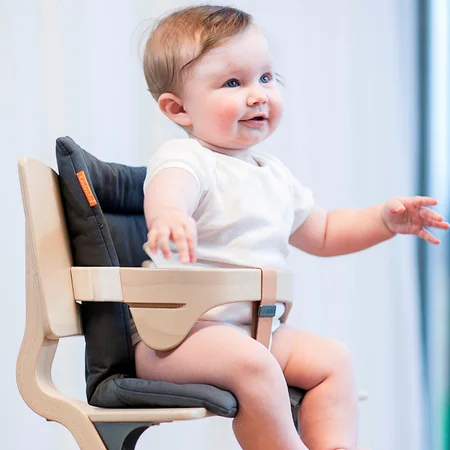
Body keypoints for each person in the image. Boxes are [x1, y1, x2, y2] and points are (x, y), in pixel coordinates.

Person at [133, 5, 449, 450]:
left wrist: (383, 221)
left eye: (266, 78)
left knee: (332, 360)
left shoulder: (273, 173)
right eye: (233, 83)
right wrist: (169, 217)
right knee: (254, 365)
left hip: (256, 334)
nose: (258, 95)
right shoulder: (187, 160)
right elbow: (170, 191)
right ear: (179, 108)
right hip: (177, 337)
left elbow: (322, 232)